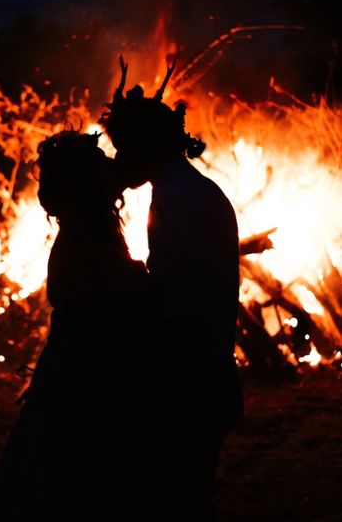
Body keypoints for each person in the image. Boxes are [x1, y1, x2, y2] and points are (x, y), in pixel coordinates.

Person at [0, 130, 150, 522]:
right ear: (85, 183)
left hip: (83, 370)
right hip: (85, 376)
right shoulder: (83, 240)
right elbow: (106, 297)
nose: (111, 168)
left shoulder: (89, 232)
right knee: (73, 479)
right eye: (100, 165)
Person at [100, 56, 244, 521]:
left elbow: (181, 304)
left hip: (190, 382)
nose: (121, 160)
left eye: (125, 149)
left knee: (178, 501)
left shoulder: (179, 199)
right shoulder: (188, 191)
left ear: (146, 146)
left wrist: (160, 391)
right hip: (201, 372)